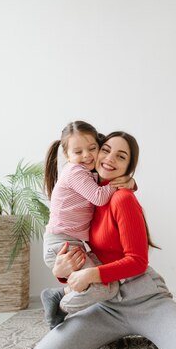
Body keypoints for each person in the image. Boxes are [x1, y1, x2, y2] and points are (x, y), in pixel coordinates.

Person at [29, 131, 176, 349]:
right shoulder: (88, 196)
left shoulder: (122, 198)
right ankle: (73, 309)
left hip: (145, 300)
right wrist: (61, 273)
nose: (109, 159)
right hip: (105, 304)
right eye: (105, 150)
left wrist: (90, 274)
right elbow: (81, 253)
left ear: (128, 166)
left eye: (121, 156)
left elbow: (138, 261)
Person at [42, 121, 135, 329]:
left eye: (92, 148)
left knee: (107, 283)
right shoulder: (75, 172)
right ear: (67, 155)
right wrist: (120, 181)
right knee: (104, 289)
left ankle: (62, 295)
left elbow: (103, 184)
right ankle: (60, 304)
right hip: (61, 245)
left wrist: (129, 182)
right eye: (78, 151)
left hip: (72, 243)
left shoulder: (87, 172)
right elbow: (99, 197)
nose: (87, 155)